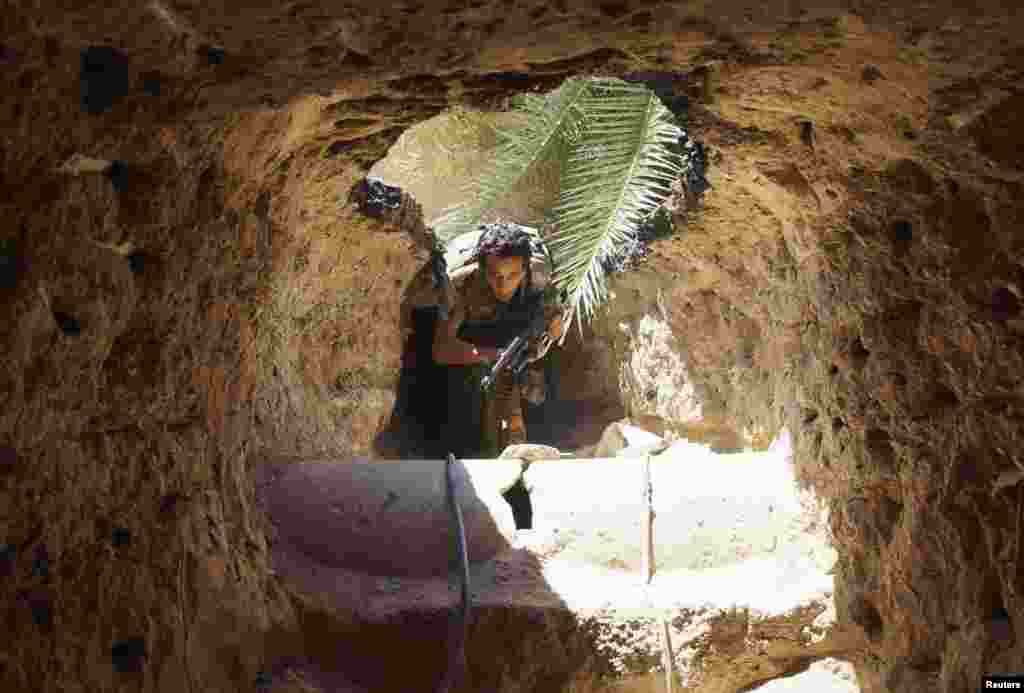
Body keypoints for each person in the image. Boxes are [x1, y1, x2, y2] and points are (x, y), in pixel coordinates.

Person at [432, 222, 565, 456]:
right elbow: (441, 351)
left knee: (537, 394)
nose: (504, 285)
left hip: (519, 333)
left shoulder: (540, 278)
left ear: (525, 269)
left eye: (513, 275)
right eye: (495, 276)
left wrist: (539, 346)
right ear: (481, 269)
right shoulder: (461, 287)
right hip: (473, 338)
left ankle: (518, 439)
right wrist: (492, 355)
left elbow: (556, 331)